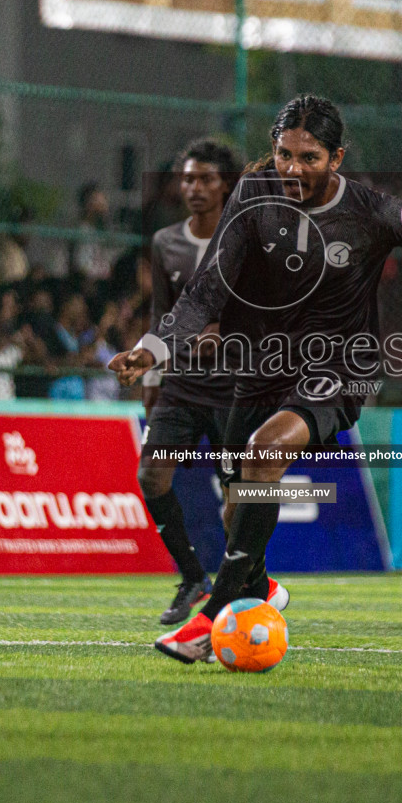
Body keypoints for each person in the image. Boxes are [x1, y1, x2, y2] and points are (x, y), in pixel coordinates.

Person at [109, 95, 402, 663]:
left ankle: (209, 620)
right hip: (261, 365)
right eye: (284, 154)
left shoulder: (372, 210)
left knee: (264, 451)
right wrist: (153, 347)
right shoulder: (252, 199)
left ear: (337, 158)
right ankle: (258, 589)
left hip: (340, 366)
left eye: (309, 157)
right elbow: (205, 289)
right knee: (240, 507)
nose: (293, 169)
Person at [139, 140, 241, 624]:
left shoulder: (248, 240)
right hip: (181, 383)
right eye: (187, 178)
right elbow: (163, 314)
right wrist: (153, 374)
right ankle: (192, 575)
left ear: (226, 184)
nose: (193, 187)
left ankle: (244, 589)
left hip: (236, 387)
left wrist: (227, 332)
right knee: (151, 476)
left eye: (204, 179)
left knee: (240, 501)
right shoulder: (165, 243)